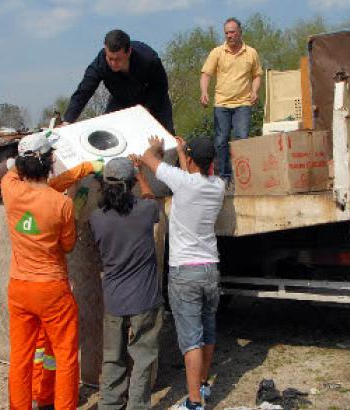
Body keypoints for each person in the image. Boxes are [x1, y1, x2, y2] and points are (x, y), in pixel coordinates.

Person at [0, 132, 101, 410]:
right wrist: (84, 172)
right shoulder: (63, 204)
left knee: (21, 356)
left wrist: (79, 171)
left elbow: (13, 171)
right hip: (52, 289)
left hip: (19, 287)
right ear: (50, 161)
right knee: (65, 355)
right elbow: (67, 246)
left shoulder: (9, 189)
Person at [141, 136, 226, 410]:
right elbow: (192, 175)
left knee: (191, 340)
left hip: (184, 272)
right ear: (211, 162)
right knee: (208, 332)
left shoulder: (182, 181)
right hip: (210, 268)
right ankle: (202, 386)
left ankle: (194, 402)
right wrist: (182, 151)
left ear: (189, 160)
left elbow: (147, 158)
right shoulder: (218, 186)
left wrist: (156, 147)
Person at [89, 156, 163, 410]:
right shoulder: (145, 211)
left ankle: (109, 404)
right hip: (145, 299)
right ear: (131, 183)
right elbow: (151, 198)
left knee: (112, 357)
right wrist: (142, 174)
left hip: (114, 300)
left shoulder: (96, 218)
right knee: (142, 357)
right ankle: (137, 406)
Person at [63, 29, 175, 134]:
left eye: (118, 59)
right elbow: (83, 92)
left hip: (153, 100)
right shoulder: (100, 64)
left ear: (129, 52)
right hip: (121, 99)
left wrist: (147, 108)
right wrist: (68, 120)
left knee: (167, 140)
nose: (113, 63)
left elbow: (161, 86)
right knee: (107, 133)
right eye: (110, 58)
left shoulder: (149, 59)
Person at [200, 17, 263, 181]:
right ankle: (225, 175)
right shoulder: (217, 53)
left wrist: (255, 91)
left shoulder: (251, 53)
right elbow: (206, 74)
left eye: (233, 32)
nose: (229, 35)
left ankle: (243, 176)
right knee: (221, 140)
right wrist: (204, 92)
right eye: (227, 33)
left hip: (243, 103)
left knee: (242, 138)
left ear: (240, 32)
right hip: (222, 103)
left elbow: (257, 75)